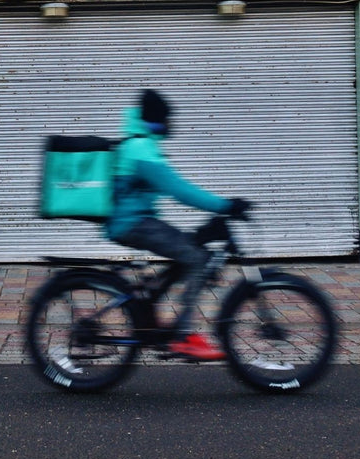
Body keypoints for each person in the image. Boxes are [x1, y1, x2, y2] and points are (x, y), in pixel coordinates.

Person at [101, 88, 251, 361]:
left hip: (140, 221)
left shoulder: (142, 142)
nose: (171, 125)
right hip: (133, 224)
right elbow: (178, 190)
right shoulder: (140, 148)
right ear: (157, 119)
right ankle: (183, 336)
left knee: (189, 247)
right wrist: (226, 205)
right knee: (197, 258)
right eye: (167, 118)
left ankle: (152, 298)